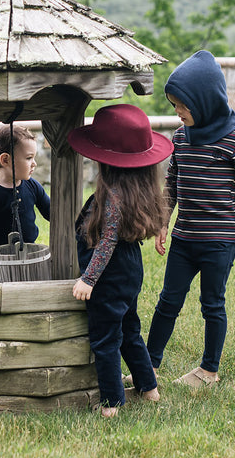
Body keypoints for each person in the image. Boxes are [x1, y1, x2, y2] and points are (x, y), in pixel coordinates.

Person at [146, 50, 235, 389]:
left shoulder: (234, 140)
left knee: (212, 304)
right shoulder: (181, 138)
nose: (177, 112)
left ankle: (209, 371)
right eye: (174, 106)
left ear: (204, 101)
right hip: (185, 239)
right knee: (168, 300)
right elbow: (171, 184)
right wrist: (163, 221)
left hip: (219, 241)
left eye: (182, 105)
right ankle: (149, 366)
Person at [67, 104, 172, 417]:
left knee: (106, 339)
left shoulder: (113, 196)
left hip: (109, 275)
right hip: (129, 268)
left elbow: (107, 240)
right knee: (129, 329)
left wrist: (89, 279)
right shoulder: (138, 190)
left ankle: (111, 403)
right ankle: (148, 388)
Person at [0, 124, 51, 260]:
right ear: (5, 160)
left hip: (30, 253)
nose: (34, 163)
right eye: (29, 158)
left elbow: (50, 211)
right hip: (0, 257)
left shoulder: (32, 185)